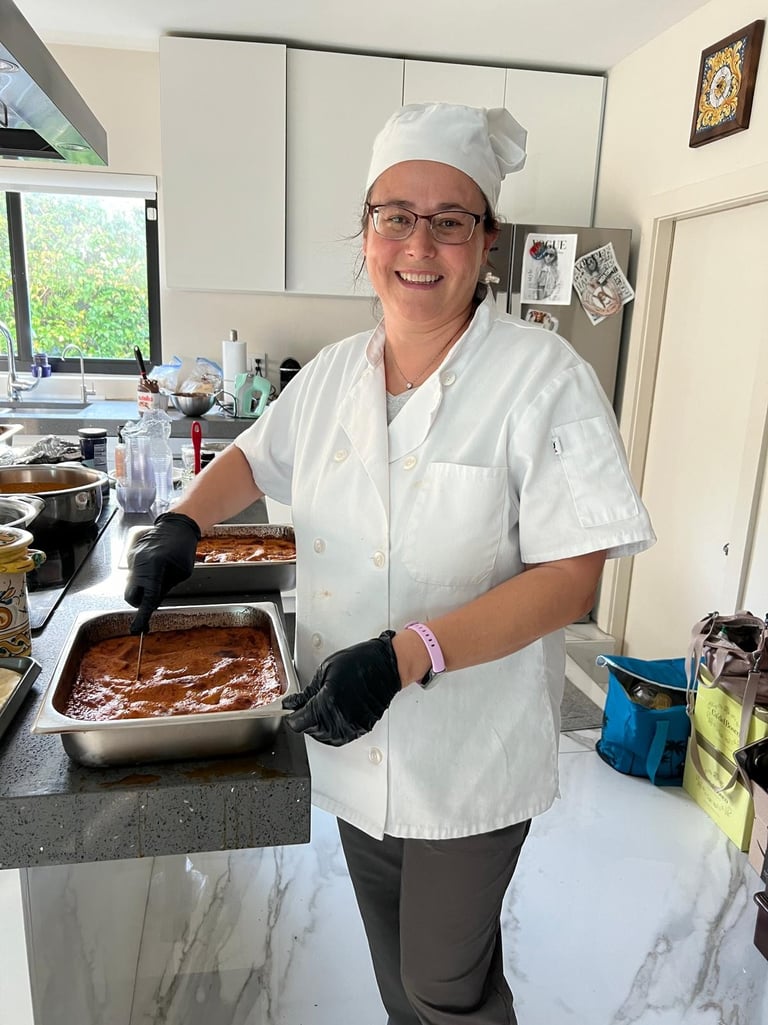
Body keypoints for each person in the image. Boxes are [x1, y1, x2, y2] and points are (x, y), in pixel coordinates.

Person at [125, 102, 656, 1025]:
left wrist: (409, 651)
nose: (421, 243)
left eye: (451, 220)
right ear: (365, 233)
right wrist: (180, 521)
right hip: (352, 728)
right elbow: (253, 457)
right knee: (392, 967)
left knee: (444, 985)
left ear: (486, 242)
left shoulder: (545, 378)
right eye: (395, 216)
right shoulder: (333, 373)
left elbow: (573, 578)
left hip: (469, 753)